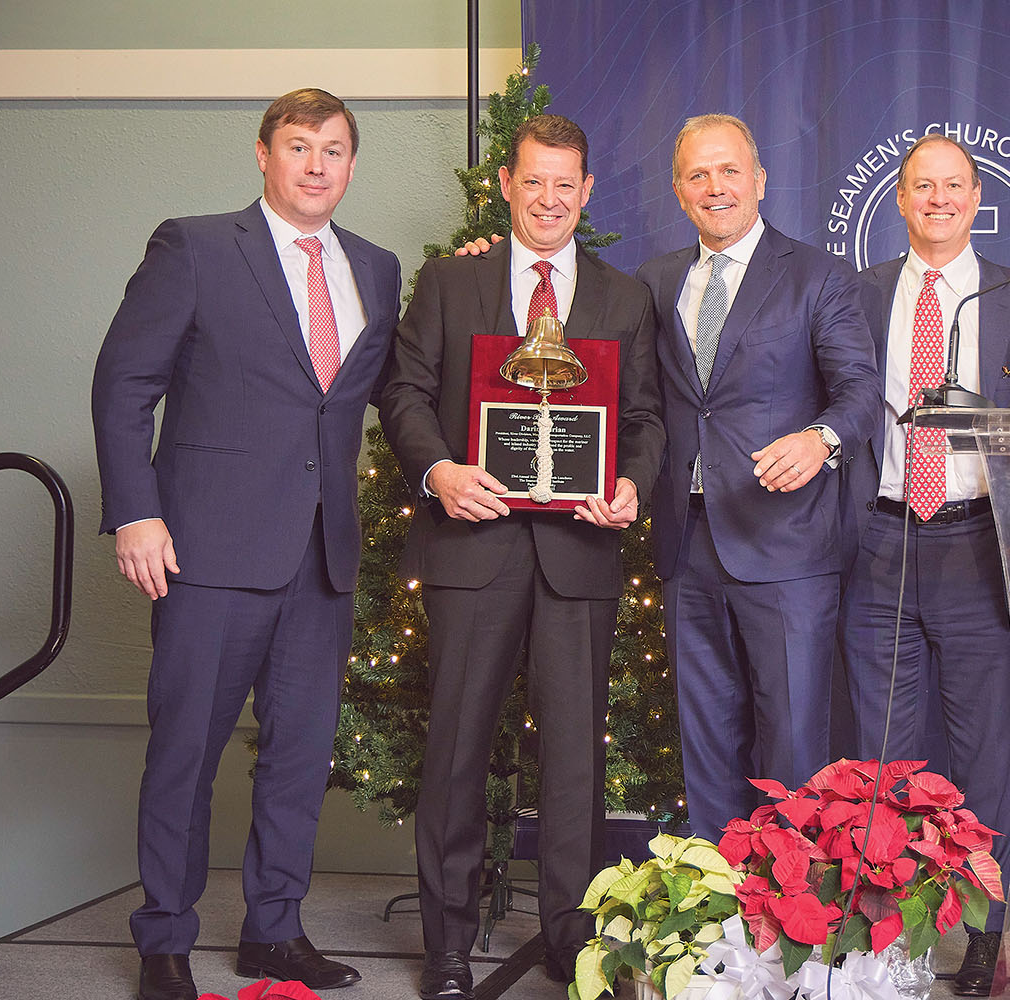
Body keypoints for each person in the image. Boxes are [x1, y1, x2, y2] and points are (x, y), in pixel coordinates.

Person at [92, 89, 400, 1000]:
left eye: (334, 149)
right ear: (263, 155)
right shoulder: (193, 246)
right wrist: (137, 512)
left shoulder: (377, 271)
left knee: (300, 756)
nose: (317, 164)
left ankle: (274, 929)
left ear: (351, 165)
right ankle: (165, 942)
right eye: (299, 146)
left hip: (321, 556)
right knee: (186, 748)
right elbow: (122, 386)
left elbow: (384, 392)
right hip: (206, 549)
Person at [379, 114, 665, 1000]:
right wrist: (437, 470)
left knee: (576, 761)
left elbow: (649, 419)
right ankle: (448, 948)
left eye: (565, 183)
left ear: (586, 191)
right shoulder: (447, 283)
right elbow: (404, 392)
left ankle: (574, 943)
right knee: (457, 752)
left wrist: (631, 486)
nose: (549, 199)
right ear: (506, 185)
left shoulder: (626, 297)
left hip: (579, 554)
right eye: (533, 181)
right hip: (472, 548)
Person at [842, 133, 1010, 997]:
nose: (938, 199)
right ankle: (886, 929)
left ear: (977, 200)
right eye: (921, 186)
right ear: (900, 200)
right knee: (882, 752)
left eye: (954, 186)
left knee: (983, 750)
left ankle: (980, 933)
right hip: (878, 539)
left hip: (979, 541)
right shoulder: (854, 293)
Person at [635, 113, 881, 840]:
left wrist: (820, 437)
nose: (716, 187)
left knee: (794, 746)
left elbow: (862, 391)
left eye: (729, 170)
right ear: (680, 190)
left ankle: (794, 920)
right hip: (687, 545)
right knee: (706, 742)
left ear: (760, 180)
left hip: (787, 546)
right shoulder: (654, 282)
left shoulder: (817, 274)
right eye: (698, 174)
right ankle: (724, 917)